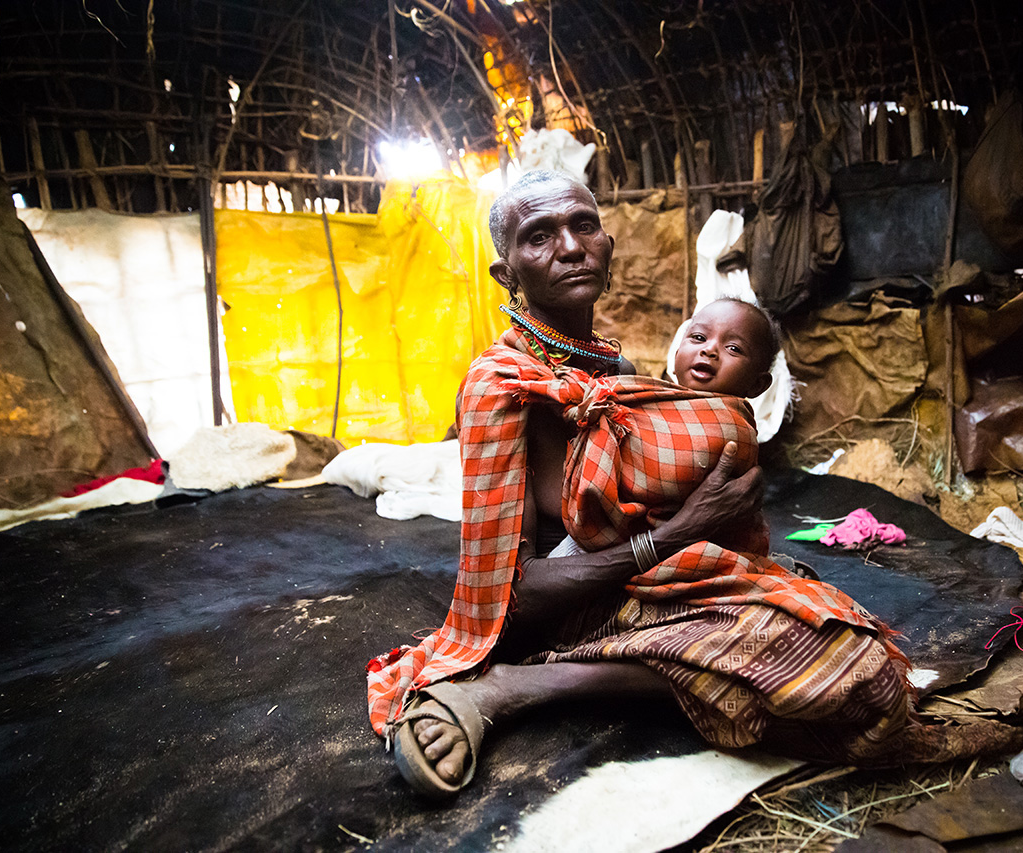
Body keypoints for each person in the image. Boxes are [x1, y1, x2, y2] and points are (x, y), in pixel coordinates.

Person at [365, 170, 912, 800]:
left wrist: (714, 527)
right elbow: (510, 598)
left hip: (654, 586)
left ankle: (658, 659)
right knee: (832, 662)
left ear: (608, 244)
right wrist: (684, 531)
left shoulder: (620, 374)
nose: (570, 247)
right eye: (539, 236)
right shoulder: (503, 388)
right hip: (569, 610)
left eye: (583, 225)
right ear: (506, 272)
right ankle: (512, 689)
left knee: (841, 644)